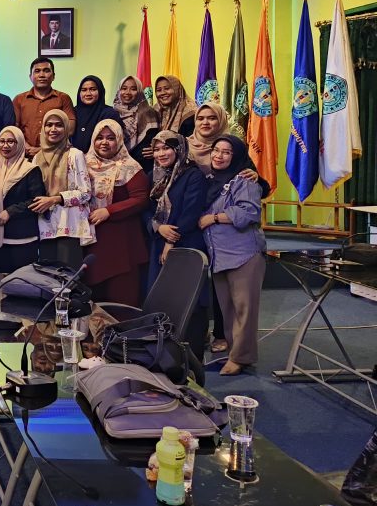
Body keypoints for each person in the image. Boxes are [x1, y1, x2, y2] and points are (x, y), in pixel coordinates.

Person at [199, 136, 266, 376]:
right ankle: (234, 351)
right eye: (216, 150)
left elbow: (249, 212)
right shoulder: (209, 181)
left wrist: (214, 218)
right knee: (227, 309)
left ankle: (241, 357)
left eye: (226, 152)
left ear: (236, 156)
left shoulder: (244, 180)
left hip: (243, 253)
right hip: (219, 255)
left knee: (243, 310)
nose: (219, 156)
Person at [147, 131, 209, 360]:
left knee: (189, 302)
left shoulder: (193, 175)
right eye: (157, 149)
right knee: (161, 300)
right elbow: (145, 210)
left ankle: (191, 362)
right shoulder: (154, 176)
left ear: (179, 149)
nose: (161, 153)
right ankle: (164, 358)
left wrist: (170, 241)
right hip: (158, 245)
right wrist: (157, 228)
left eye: (166, 148)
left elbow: (191, 212)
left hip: (186, 247)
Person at [84, 120, 149, 307]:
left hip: (121, 244)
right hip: (91, 241)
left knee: (121, 300)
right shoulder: (82, 165)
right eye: (99, 138)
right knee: (93, 302)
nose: (104, 142)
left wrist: (108, 211)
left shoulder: (130, 167)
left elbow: (140, 199)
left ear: (119, 140)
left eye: (111, 138)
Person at [27, 109, 94, 269]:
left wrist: (55, 199)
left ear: (66, 128)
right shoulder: (37, 158)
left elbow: (85, 193)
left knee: (68, 275)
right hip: (46, 225)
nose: (53, 129)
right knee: (47, 277)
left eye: (59, 125)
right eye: (49, 125)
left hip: (69, 224)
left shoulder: (75, 154)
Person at [0, 126, 45, 274]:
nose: (5, 145)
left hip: (23, 239)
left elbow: (36, 201)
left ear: (20, 143)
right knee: (3, 283)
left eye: (10, 141)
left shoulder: (30, 169)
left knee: (23, 284)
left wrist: (10, 212)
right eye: (1, 141)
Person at [13, 57, 76, 156]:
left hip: (55, 155)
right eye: (37, 71)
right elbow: (14, 128)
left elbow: (70, 129)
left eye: (46, 71)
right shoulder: (19, 99)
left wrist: (44, 149)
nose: (42, 75)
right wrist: (25, 146)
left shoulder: (63, 98)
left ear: (53, 76)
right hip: (25, 155)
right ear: (30, 76)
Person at [112, 75, 159, 174]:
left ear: (140, 92)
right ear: (119, 91)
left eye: (133, 89)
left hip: (142, 166)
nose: (128, 92)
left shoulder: (148, 112)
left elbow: (149, 145)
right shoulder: (112, 113)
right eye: (124, 88)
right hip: (116, 165)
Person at [72, 75, 122, 153]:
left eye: (93, 89)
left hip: (101, 158)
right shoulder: (72, 112)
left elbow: (114, 142)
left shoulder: (110, 113)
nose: (88, 93)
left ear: (100, 91)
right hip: (74, 158)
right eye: (84, 90)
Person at [187, 101, 228, 170]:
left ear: (221, 121)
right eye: (200, 119)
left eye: (212, 118)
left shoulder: (232, 147)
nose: (205, 123)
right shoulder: (183, 146)